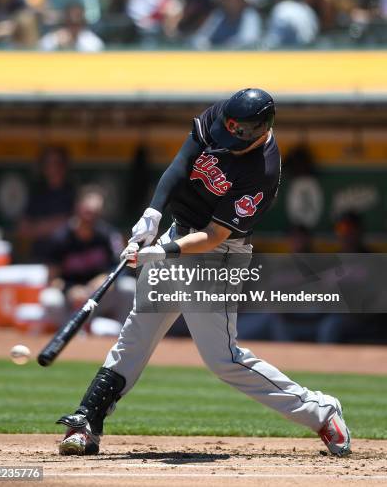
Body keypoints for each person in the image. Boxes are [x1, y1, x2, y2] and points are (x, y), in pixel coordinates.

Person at [56, 88, 351, 458]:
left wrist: (160, 250)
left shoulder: (262, 171)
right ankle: (88, 418)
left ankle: (321, 412)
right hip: (178, 230)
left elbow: (214, 236)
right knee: (136, 333)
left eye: (238, 135)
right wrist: (153, 215)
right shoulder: (224, 116)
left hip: (218, 256)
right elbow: (181, 164)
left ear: (260, 131)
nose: (226, 140)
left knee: (223, 359)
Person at [43, 186, 127, 329]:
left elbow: (122, 267)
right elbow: (51, 279)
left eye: (95, 213)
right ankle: (70, 331)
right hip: (70, 299)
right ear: (78, 208)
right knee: (50, 299)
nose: (90, 217)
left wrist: (106, 278)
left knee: (128, 287)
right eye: (87, 212)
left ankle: (123, 334)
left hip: (98, 296)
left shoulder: (108, 235)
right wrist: (70, 290)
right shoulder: (60, 237)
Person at [17, 146, 75, 261]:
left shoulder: (73, 191)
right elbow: (23, 230)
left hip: (69, 260)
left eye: (57, 163)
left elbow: (76, 225)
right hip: (40, 258)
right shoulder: (37, 193)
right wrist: (55, 224)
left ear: (64, 166)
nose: (53, 168)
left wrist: (40, 226)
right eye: (48, 163)